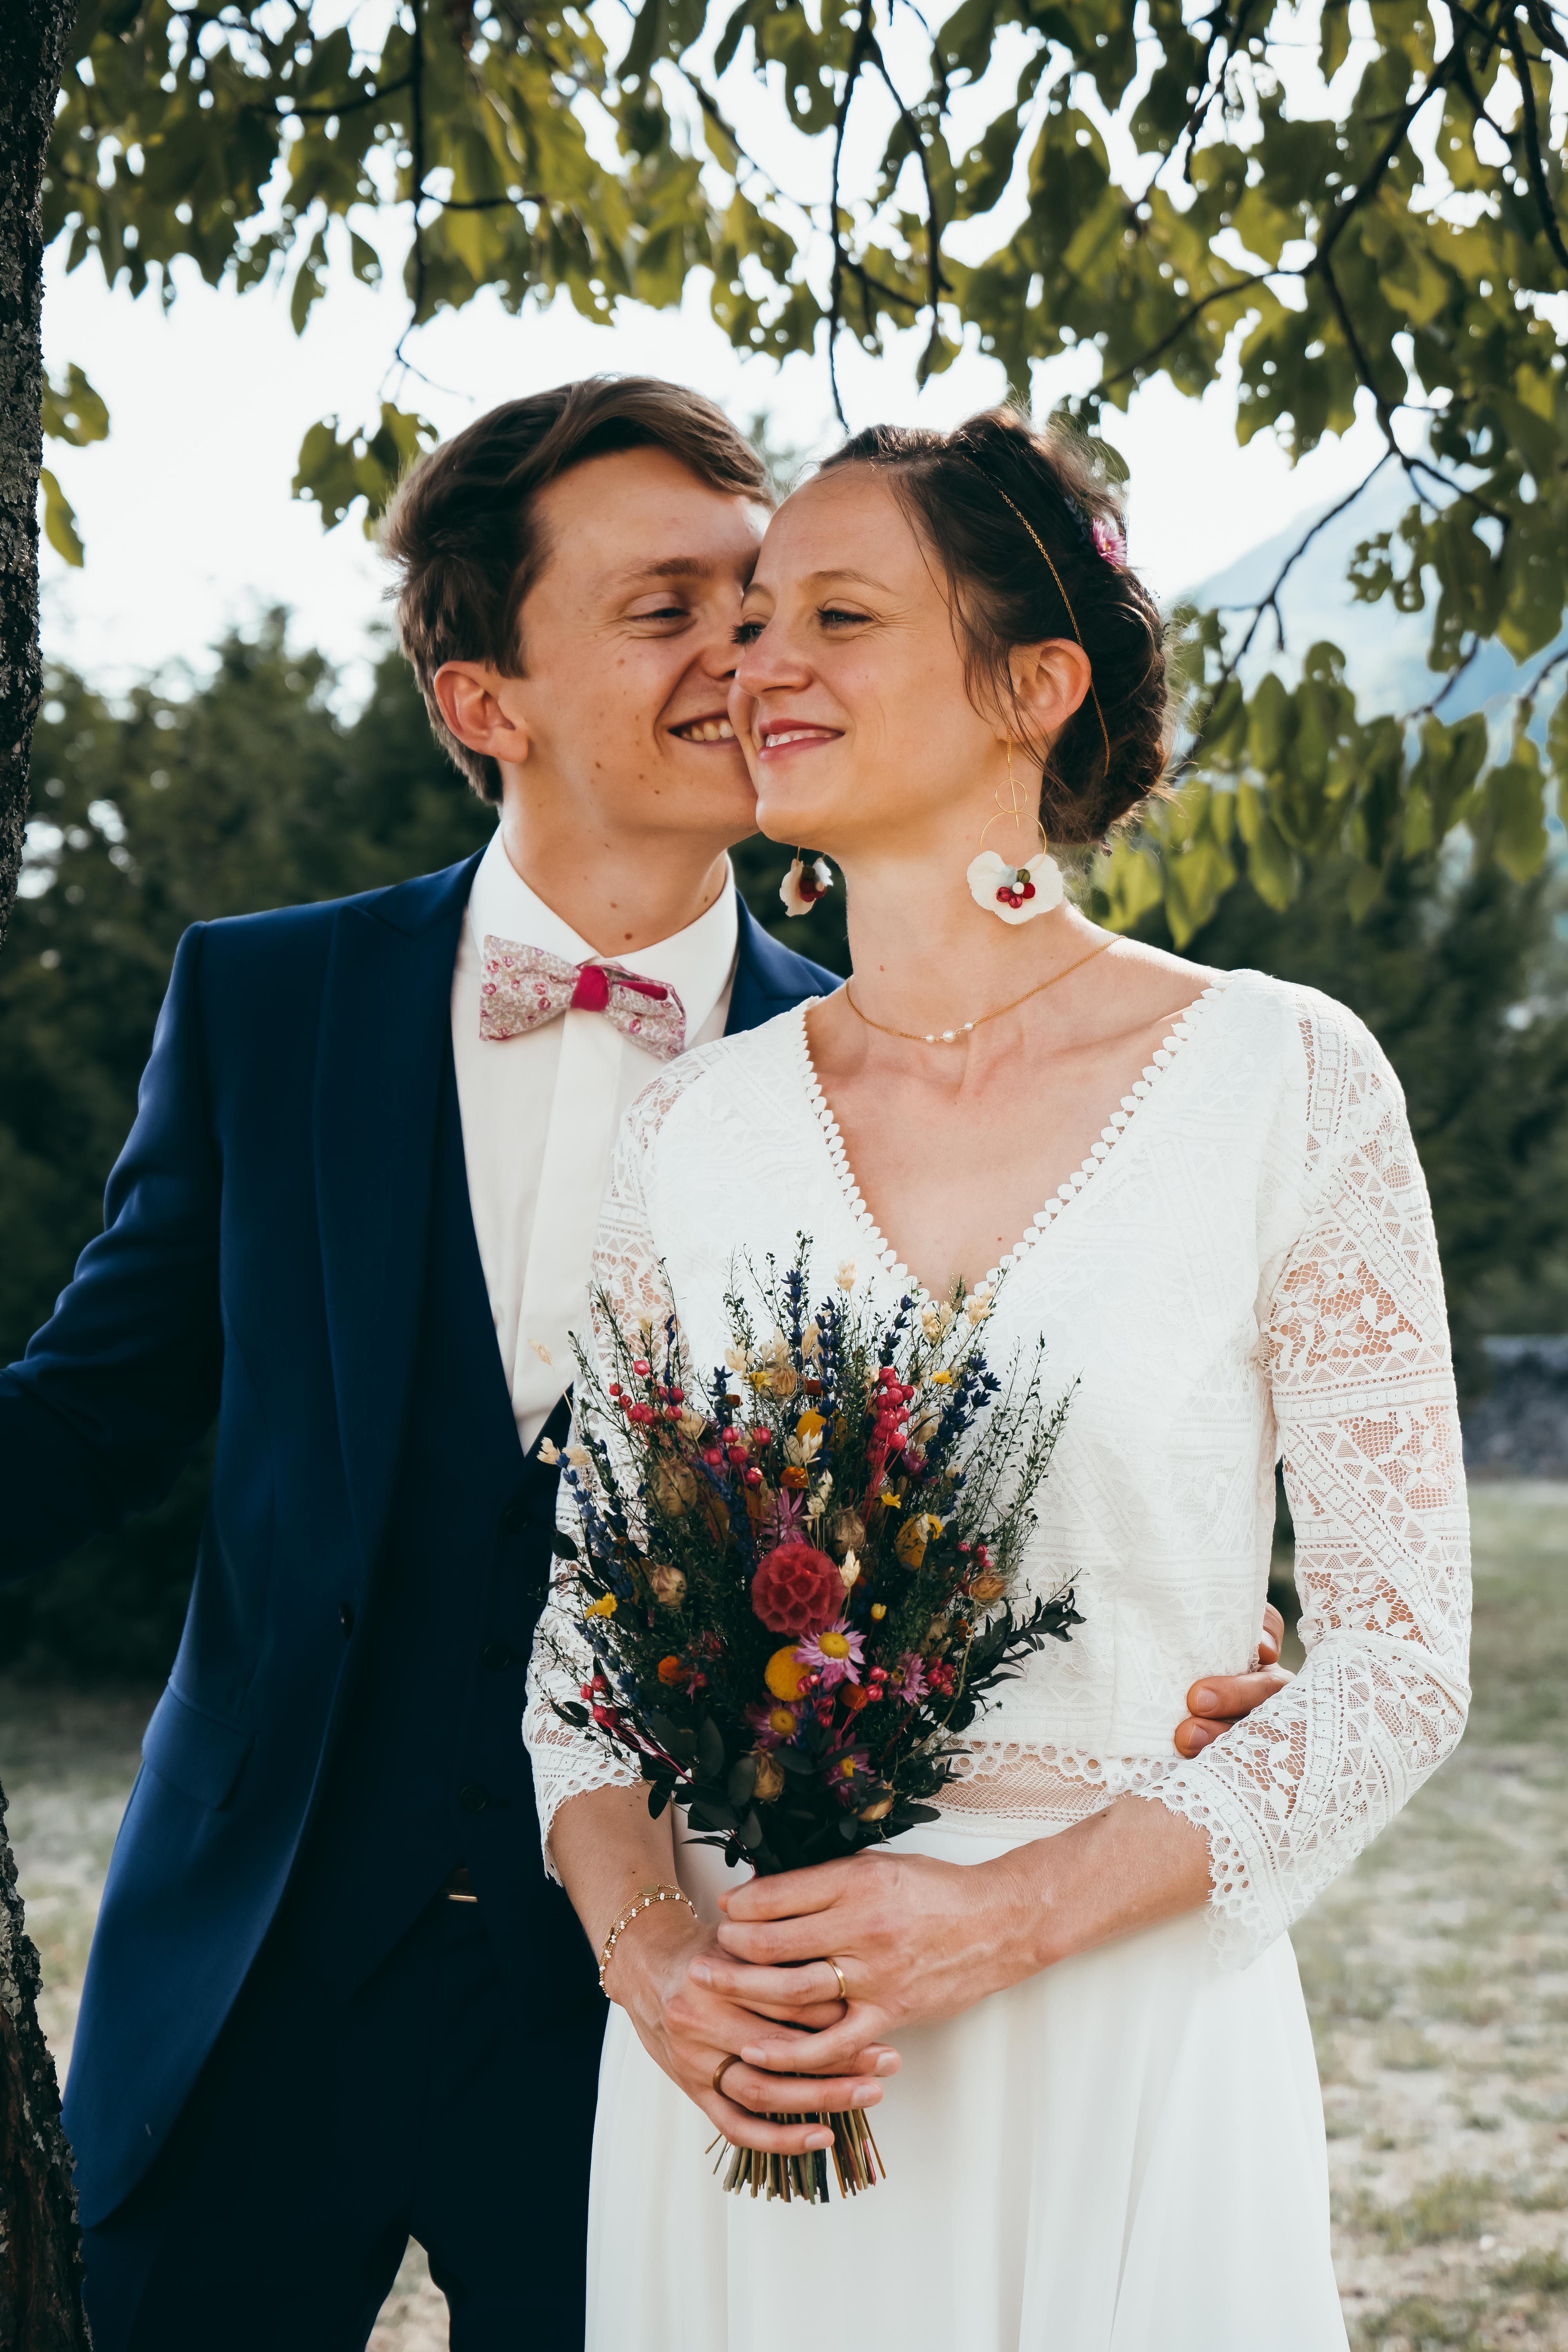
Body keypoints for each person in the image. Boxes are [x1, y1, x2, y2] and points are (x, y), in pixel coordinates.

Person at [1, 374, 1277, 2350]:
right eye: (666, 606)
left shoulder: (882, 1070)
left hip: (669, 2025)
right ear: (481, 704)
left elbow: (1018, 1460)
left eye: (761, 599)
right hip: (253, 1975)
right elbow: (85, 1417)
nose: (744, 654)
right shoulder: (265, 1004)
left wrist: (1208, 1638)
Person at [526, 407, 1473, 2350]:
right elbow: (576, 1662)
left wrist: (1003, 1918)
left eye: (837, 617)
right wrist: (654, 1966)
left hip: (1114, 2026)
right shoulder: (687, 1136)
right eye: (752, 616)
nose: (754, 662)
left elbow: (1398, 1660)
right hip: (757, 2063)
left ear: (1035, 684)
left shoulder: (1282, 1081)